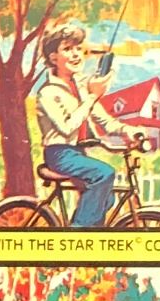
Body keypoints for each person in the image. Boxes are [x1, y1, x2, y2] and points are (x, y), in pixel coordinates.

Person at [34, 22, 134, 229]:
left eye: (78, 48)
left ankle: (85, 229)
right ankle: (78, 232)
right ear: (54, 58)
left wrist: (128, 130)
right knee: (104, 174)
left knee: (106, 198)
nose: (75, 54)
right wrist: (92, 96)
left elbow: (103, 119)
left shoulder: (81, 88)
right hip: (59, 154)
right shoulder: (48, 92)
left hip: (78, 153)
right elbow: (67, 127)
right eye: (67, 49)